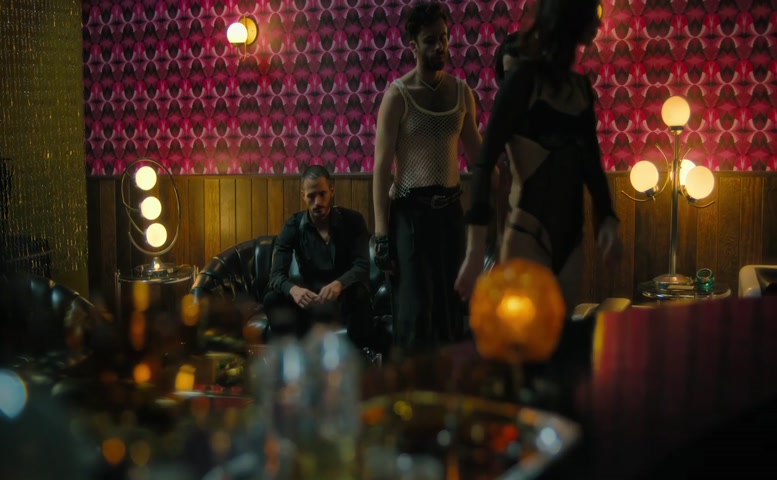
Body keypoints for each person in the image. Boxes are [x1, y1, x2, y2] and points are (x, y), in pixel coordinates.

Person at [455, 0, 621, 311]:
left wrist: (608, 220)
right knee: (525, 335)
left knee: (560, 332)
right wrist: (475, 252)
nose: (599, 24)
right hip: (528, 233)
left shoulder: (581, 88)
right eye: (592, 14)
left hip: (572, 241)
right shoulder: (522, 81)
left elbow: (591, 164)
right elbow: (484, 162)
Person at [373, 1, 482, 354]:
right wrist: (381, 235)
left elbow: (480, 159)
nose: (440, 46)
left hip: (450, 213)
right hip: (410, 213)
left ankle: (450, 384)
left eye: (444, 38)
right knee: (415, 314)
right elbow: (381, 168)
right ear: (414, 46)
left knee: (452, 311)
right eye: (430, 40)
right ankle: (408, 383)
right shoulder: (398, 95)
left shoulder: (462, 93)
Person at [264, 165, 372, 347]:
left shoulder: (353, 220)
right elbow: (275, 275)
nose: (317, 202)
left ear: (332, 191)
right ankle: (294, 356)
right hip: (310, 301)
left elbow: (362, 266)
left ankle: (359, 356)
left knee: (359, 294)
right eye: (311, 196)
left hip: (344, 297)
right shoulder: (293, 225)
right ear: (303, 195)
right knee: (272, 299)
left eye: (322, 194)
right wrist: (293, 290)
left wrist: (340, 283)